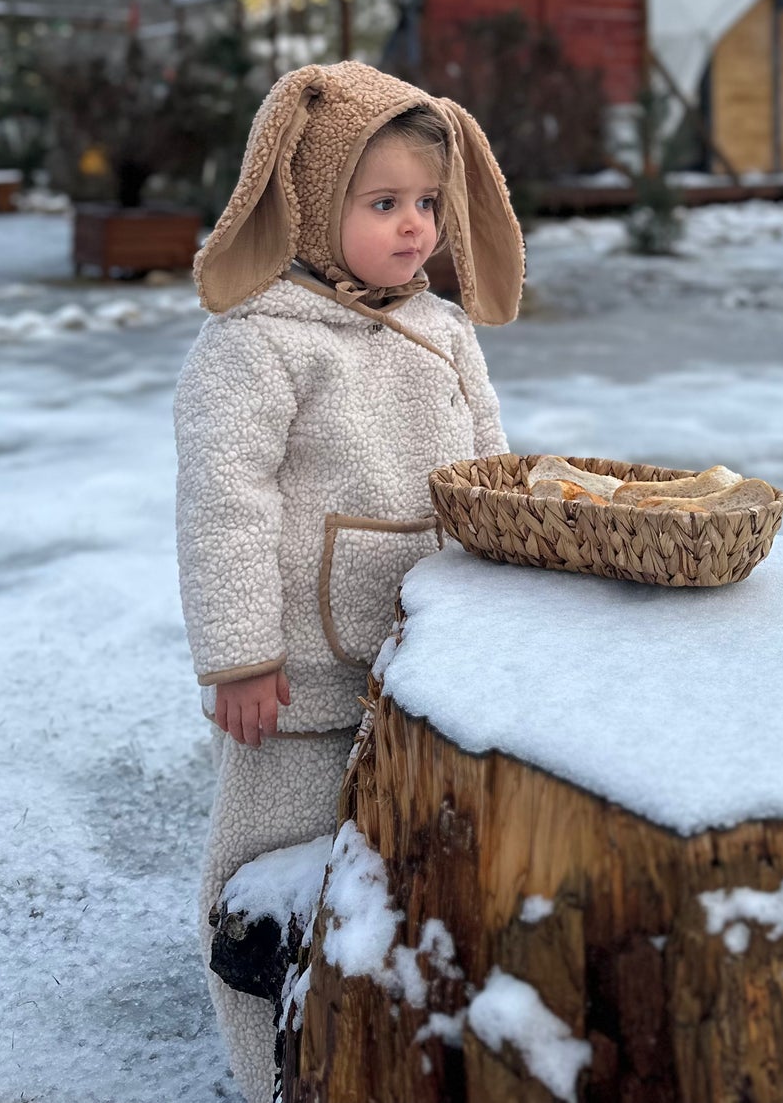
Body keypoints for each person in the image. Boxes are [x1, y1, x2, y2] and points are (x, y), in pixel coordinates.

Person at [174, 60, 523, 1103]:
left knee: (389, 873)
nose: (414, 227)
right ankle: (259, 1066)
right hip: (299, 677)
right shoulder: (260, 343)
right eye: (382, 204)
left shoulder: (442, 328)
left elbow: (489, 468)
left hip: (421, 662)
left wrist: (519, 557)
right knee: (264, 879)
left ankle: (370, 1050)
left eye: (425, 202)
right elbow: (221, 499)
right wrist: (241, 654)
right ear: (311, 205)